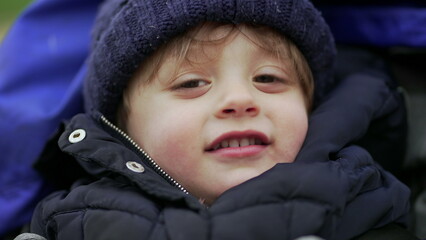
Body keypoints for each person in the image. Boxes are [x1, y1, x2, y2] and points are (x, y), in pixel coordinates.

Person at [16, 0, 415, 239]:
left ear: (311, 106)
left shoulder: (365, 202)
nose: (240, 99)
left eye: (268, 78)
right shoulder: (73, 220)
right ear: (123, 128)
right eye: (191, 83)